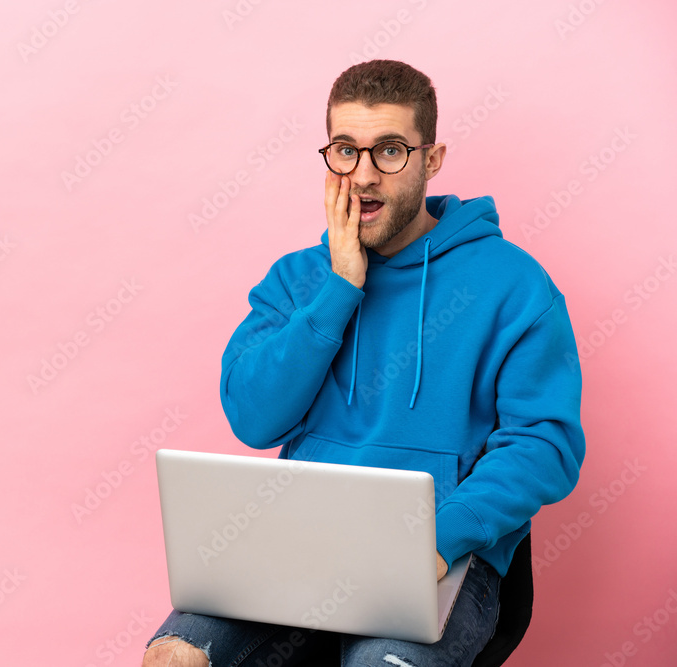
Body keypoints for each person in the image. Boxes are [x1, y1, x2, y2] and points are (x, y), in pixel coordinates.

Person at [142, 59, 585, 666]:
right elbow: (252, 419)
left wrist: (443, 533)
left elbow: (545, 443)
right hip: (298, 538)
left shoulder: (514, 286)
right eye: (346, 151)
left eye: (391, 151)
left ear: (432, 159)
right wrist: (340, 289)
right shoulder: (298, 278)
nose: (365, 176)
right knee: (175, 657)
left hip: (440, 548)